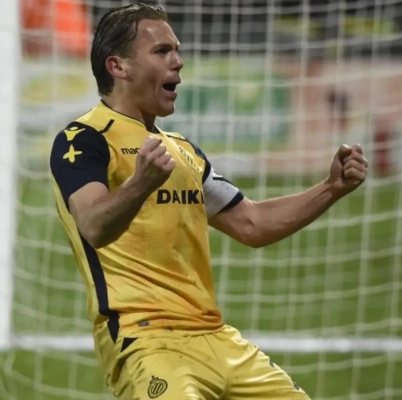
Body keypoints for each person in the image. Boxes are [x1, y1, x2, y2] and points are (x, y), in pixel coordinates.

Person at [49, 3, 368, 400]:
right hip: (145, 340)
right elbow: (93, 226)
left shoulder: (182, 151)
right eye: (162, 51)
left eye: (176, 50)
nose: (178, 61)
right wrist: (140, 184)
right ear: (119, 66)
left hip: (216, 338)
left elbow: (251, 223)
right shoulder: (84, 139)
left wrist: (331, 188)